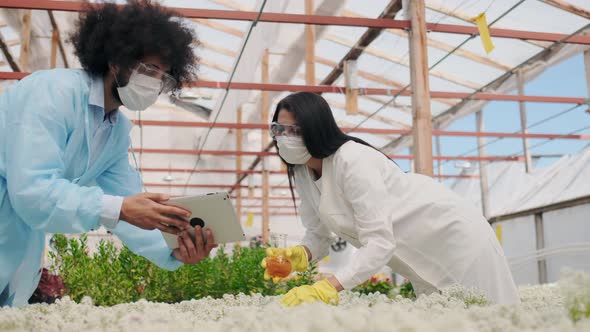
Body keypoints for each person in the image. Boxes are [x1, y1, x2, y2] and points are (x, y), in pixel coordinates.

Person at [0, 1, 217, 307]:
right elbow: (33, 191)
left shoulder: (115, 131)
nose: (154, 84)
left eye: (163, 78)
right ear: (116, 60)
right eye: (149, 70)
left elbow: (127, 208)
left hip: (15, 248)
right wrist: (122, 208)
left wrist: (174, 249)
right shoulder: (53, 93)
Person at [261, 92, 520, 306]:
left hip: (456, 239)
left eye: (292, 130)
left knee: (491, 316)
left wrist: (327, 288)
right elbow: (318, 235)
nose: (283, 138)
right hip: (418, 257)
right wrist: (299, 255)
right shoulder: (302, 171)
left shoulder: (352, 160)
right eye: (278, 129)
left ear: (316, 128)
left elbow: (379, 242)